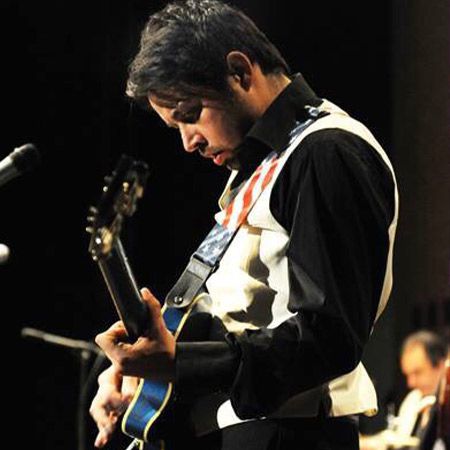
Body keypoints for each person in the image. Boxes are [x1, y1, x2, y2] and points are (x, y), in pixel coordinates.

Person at [89, 1, 399, 449]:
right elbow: (239, 317)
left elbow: (328, 338)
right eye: (175, 127)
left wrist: (180, 364)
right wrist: (141, 373)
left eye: (190, 113)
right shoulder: (266, 163)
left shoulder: (326, 152)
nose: (188, 143)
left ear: (239, 71)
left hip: (294, 433)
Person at [360, 330, 448, 450]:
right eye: (408, 375)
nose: (411, 383)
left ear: (441, 365)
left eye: (418, 372)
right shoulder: (413, 399)